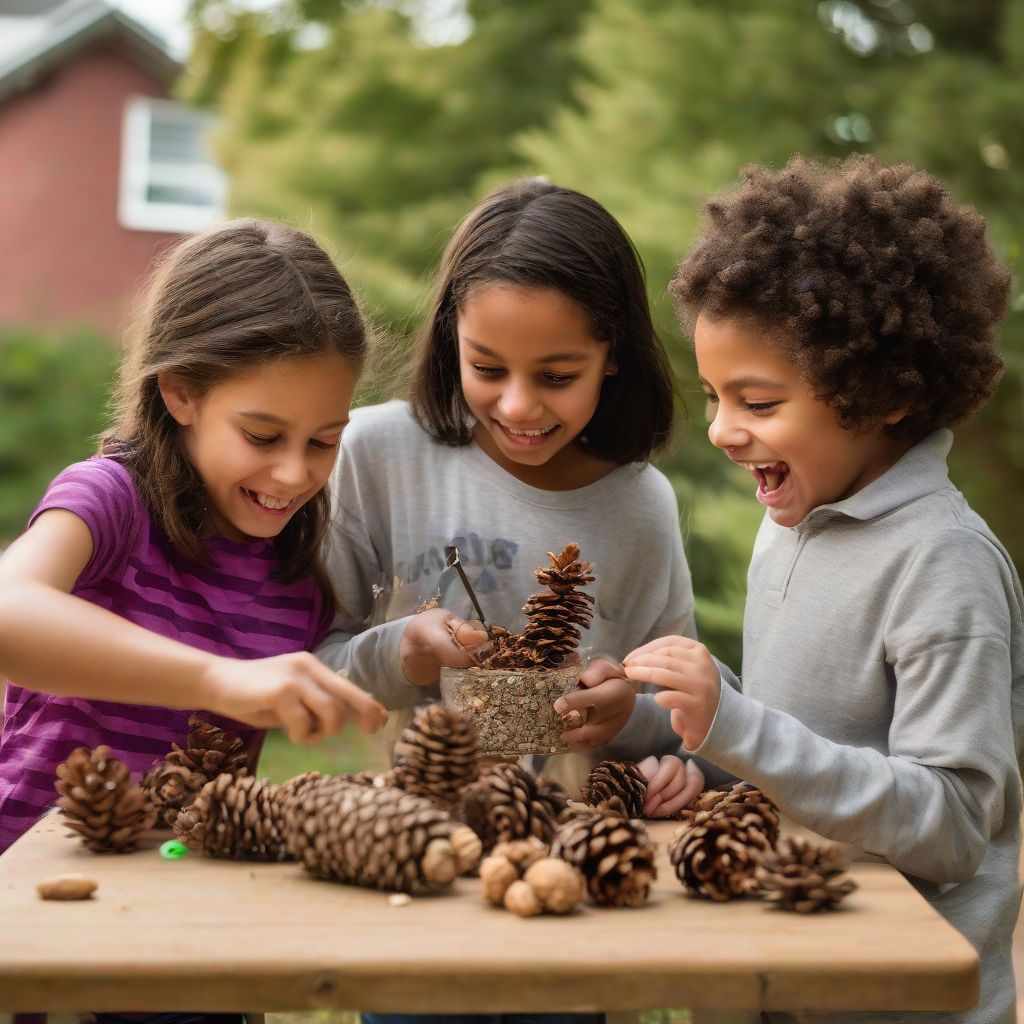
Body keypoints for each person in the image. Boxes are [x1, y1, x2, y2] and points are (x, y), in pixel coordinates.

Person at [625, 155, 1023, 1024]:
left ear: (878, 395)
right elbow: (806, 748)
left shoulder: (942, 564)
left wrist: (739, 728)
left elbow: (954, 826)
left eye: (758, 403)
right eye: (714, 397)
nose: (725, 431)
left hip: (897, 999)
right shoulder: (794, 522)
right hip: (785, 968)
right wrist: (677, 721)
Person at [318, 177, 704, 830]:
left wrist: (655, 747)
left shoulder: (642, 506)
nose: (520, 406)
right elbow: (305, 670)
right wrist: (401, 654)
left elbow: (678, 716)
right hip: (406, 845)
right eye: (488, 368)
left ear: (612, 355)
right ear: (451, 339)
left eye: (557, 376)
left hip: (579, 862)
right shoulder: (375, 455)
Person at [0, 218, 388, 859]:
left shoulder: (297, 569)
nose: (295, 475)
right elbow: (10, 616)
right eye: (262, 436)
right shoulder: (111, 501)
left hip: (177, 915)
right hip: (27, 890)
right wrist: (219, 680)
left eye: (323, 440)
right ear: (179, 390)